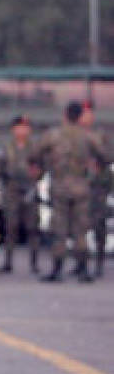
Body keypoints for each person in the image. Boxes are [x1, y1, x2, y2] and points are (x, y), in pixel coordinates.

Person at [31, 101, 108, 283]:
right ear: (81, 116)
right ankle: (83, 269)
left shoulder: (53, 135)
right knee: (81, 229)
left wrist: (43, 166)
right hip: (81, 186)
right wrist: (96, 166)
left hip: (59, 187)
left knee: (60, 228)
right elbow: (105, 156)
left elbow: (35, 154)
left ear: (65, 115)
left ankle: (57, 269)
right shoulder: (88, 136)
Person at [0, 115, 40, 274]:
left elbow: (42, 166)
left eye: (26, 127)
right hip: (12, 191)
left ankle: (34, 263)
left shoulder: (35, 148)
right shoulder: (7, 148)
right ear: (13, 129)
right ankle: (8, 262)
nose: (22, 130)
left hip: (30, 191)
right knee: (11, 227)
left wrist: (37, 175)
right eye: (19, 127)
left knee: (33, 228)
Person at [78, 103, 110, 278]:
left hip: (97, 187)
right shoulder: (74, 135)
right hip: (79, 185)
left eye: (89, 115)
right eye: (83, 115)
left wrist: (98, 162)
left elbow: (109, 156)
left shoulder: (101, 136)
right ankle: (80, 263)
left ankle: (99, 263)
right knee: (78, 227)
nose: (86, 118)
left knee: (99, 226)